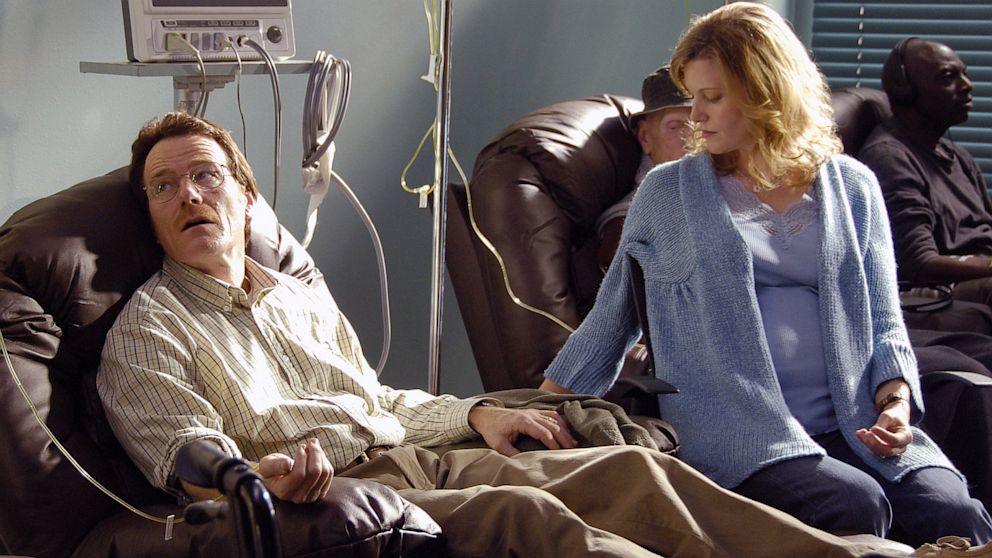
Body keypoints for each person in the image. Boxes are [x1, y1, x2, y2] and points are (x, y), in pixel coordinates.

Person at [94, 112, 920, 558]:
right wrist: (250, 476)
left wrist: (478, 412)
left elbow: (376, 399)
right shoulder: (149, 328)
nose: (189, 196)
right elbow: (182, 448)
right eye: (165, 187)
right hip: (336, 492)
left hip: (411, 451)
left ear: (245, 197)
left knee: (627, 469)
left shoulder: (296, 296)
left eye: (205, 176)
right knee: (530, 516)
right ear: (152, 215)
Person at [541, 2, 992, 549]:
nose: (695, 115)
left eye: (712, 97)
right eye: (692, 96)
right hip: (739, 431)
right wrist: (534, 409)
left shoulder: (853, 186)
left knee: (955, 512)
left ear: (766, 92)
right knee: (853, 503)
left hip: (856, 423)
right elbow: (610, 324)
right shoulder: (668, 194)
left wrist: (894, 402)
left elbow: (885, 320)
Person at [857, 38, 992, 308]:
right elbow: (920, 263)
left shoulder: (956, 156)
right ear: (905, 90)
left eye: (964, 74)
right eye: (948, 77)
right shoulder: (890, 158)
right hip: (943, 290)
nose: (966, 85)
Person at [596, 65, 691, 271]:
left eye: (700, 124)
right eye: (676, 126)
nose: (694, 139)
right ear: (645, 137)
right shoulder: (632, 220)